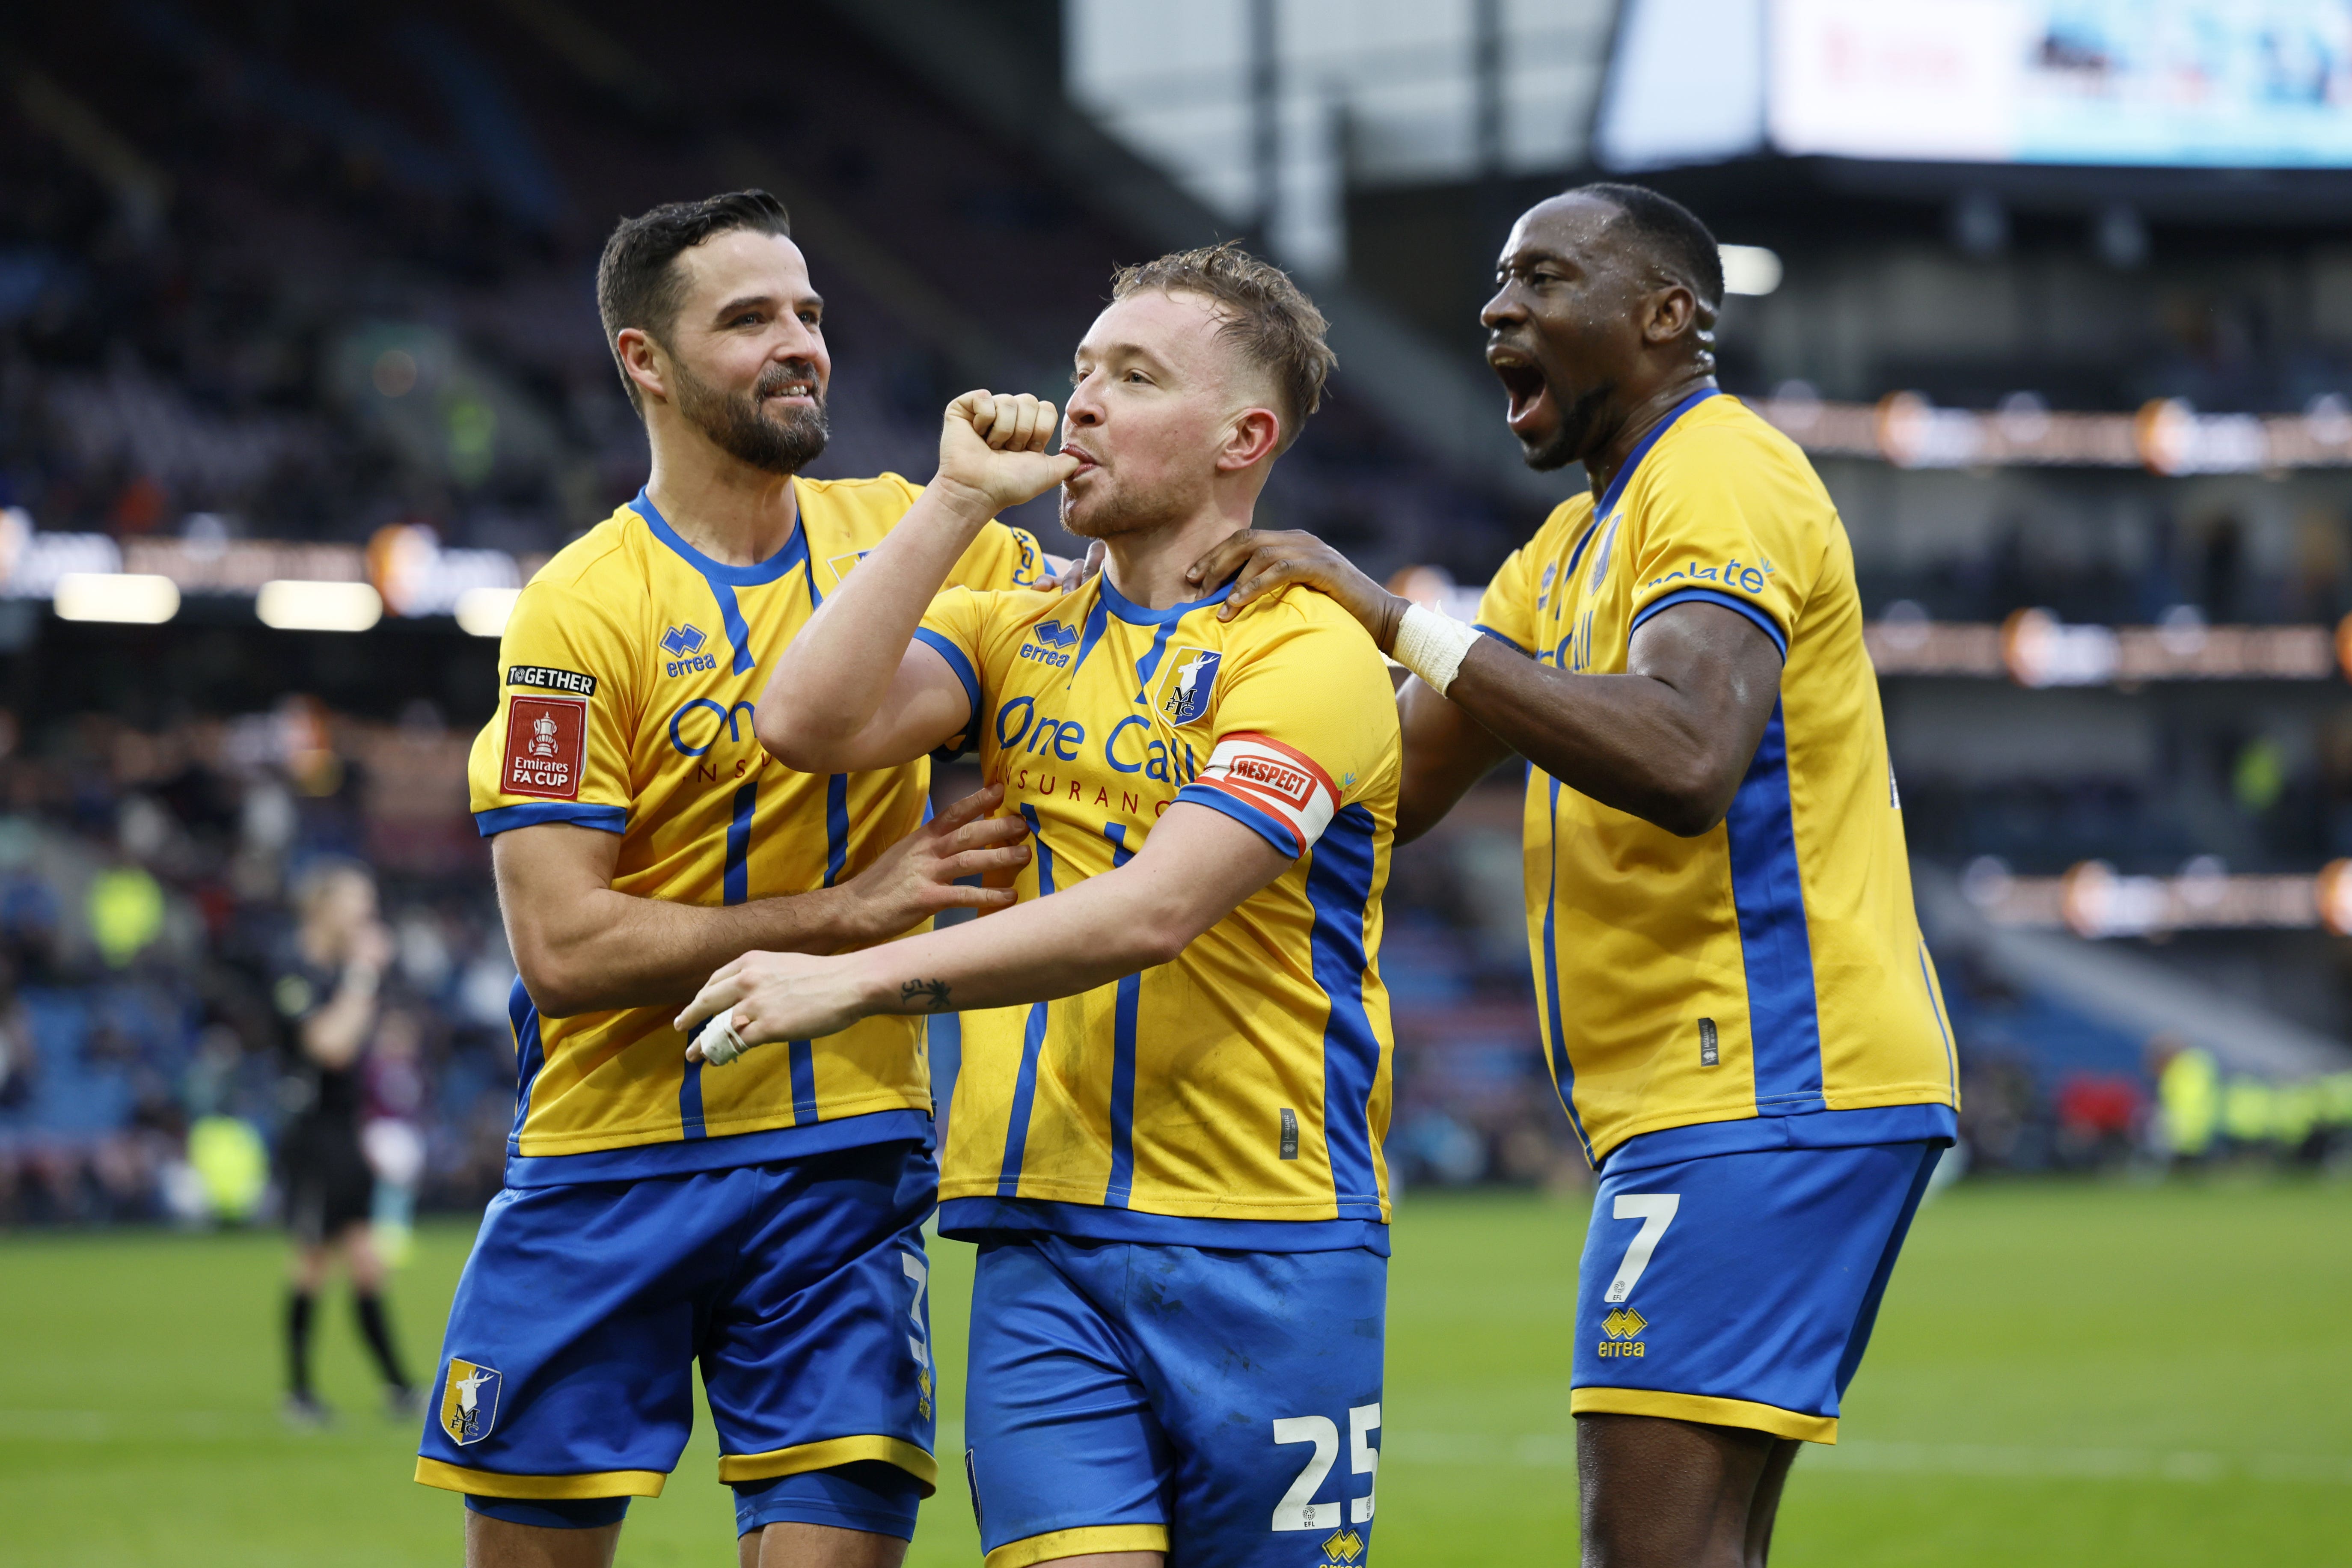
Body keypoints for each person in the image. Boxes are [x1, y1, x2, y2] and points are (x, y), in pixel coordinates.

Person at [1186, 184, 1960, 1568]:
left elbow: (1684, 754)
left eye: (1542, 279)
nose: (1497, 307)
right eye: (1498, 281)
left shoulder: (1719, 473)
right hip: (1711, 1092)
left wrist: (1392, 617)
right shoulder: (1564, 550)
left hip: (1767, 1075)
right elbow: (1394, 787)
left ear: (1667, 315)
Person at [681, 243, 1401, 1568]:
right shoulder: (1018, 622)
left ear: (1244, 439)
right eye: (1082, 370)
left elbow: (1154, 912)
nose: (1083, 403)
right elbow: (803, 720)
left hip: (1271, 1236)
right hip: (1041, 1240)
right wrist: (954, 500)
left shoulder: (1312, 654)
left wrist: (842, 979)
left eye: (1136, 377)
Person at [418, 190, 1055, 1568]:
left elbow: (1134, 618)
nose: (800, 344)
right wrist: (846, 918)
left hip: (844, 1164)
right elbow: (563, 950)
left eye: (810, 313)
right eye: (750, 318)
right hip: (610, 1161)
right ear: (645, 360)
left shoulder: (921, 529)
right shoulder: (576, 613)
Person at [272, 858, 416, 1427]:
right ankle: (299, 1394)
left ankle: (399, 1387)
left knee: (365, 1261)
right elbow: (329, 1047)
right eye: (358, 902)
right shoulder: (296, 973)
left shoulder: (337, 973)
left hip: (343, 1129)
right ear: (324, 907)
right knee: (312, 1261)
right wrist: (362, 975)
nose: (367, 915)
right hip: (312, 1134)